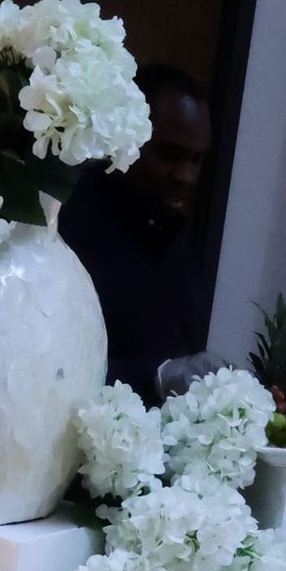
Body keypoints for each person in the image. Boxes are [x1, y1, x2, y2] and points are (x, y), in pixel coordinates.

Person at [61, 64, 214, 403]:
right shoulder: (69, 224)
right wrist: (156, 378)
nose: (186, 176)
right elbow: (46, 370)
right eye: (170, 154)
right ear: (125, 139)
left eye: (197, 160)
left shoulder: (174, 233)